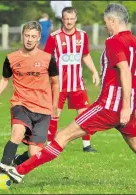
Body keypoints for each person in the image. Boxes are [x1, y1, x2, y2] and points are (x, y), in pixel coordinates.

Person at [0, 3, 136, 190]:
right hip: (126, 110)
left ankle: (19, 171)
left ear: (113, 21)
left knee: (63, 136)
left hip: (108, 107)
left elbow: (124, 71)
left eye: (106, 22)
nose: (106, 26)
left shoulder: (114, 41)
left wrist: (125, 106)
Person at [0, 21, 59, 169]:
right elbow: (5, 78)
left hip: (43, 108)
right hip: (21, 104)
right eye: (27, 35)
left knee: (35, 153)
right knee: (17, 132)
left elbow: (55, 82)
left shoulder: (48, 59)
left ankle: (15, 161)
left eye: (33, 36)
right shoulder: (11, 58)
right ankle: (3, 168)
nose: (29, 39)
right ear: (22, 36)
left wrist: (55, 105)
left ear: (39, 38)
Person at [44, 7, 100, 152]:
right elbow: (46, 58)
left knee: (84, 115)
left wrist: (94, 71)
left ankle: (87, 146)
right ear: (62, 19)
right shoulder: (54, 37)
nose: (69, 21)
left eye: (71, 19)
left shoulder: (82, 36)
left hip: (77, 84)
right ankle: (50, 145)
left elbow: (85, 55)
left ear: (76, 19)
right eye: (66, 19)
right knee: (55, 114)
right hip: (59, 85)